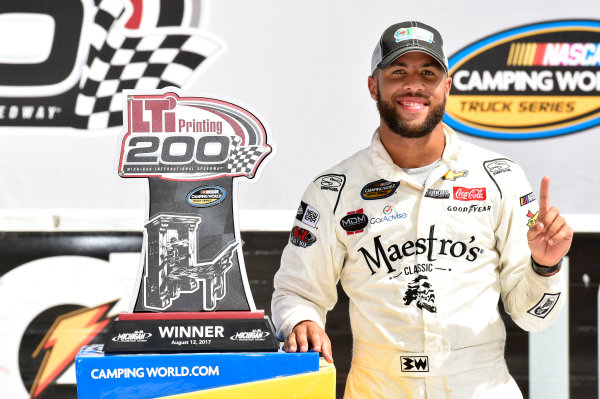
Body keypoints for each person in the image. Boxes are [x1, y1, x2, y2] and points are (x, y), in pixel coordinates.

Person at [271, 21, 572, 398]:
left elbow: (533, 318)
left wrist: (545, 266)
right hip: (377, 386)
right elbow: (296, 292)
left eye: (428, 73)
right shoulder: (333, 189)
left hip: (480, 385)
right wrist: (300, 320)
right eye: (398, 72)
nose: (414, 84)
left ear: (445, 87)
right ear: (372, 86)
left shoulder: (501, 178)